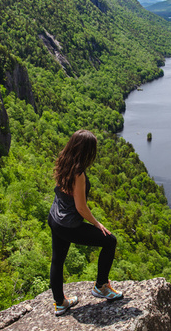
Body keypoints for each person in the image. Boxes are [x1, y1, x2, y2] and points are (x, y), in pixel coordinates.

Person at [48, 129, 123, 316]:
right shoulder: (78, 173)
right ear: (86, 151)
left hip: (55, 218)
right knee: (109, 241)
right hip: (68, 224)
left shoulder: (63, 161)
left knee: (57, 260)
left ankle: (60, 303)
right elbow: (81, 207)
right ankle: (101, 286)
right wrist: (97, 224)